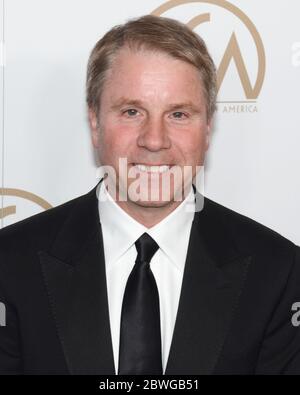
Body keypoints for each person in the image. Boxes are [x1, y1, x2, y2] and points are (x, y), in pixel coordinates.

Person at [0, 14, 300, 375]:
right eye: (131, 111)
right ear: (95, 123)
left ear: (207, 128)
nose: (154, 140)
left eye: (178, 113)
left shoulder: (279, 273)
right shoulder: (10, 265)